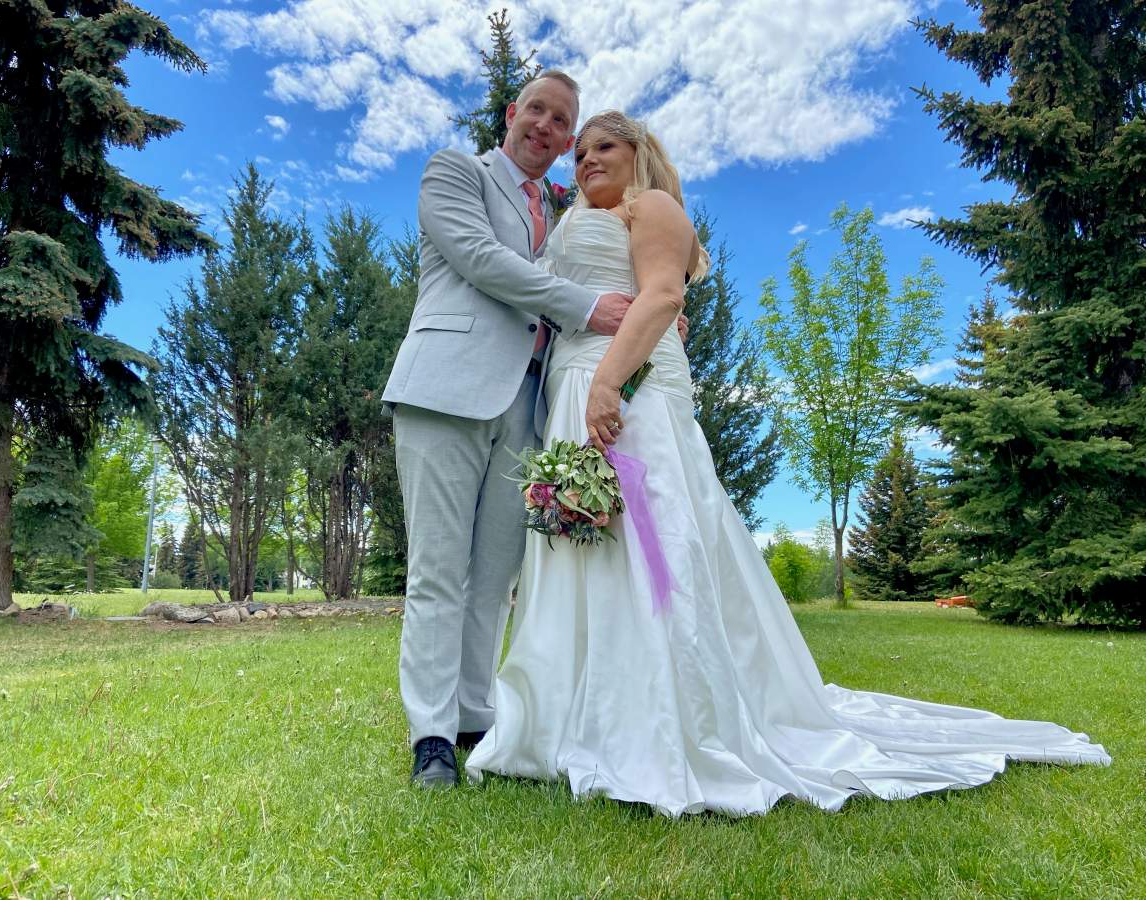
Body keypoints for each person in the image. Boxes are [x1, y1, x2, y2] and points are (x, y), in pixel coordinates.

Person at [465, 110, 1111, 816]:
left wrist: (608, 383)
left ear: (640, 153)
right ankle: (572, 716)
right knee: (587, 553)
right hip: (576, 386)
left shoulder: (651, 206)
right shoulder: (577, 218)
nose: (587, 158)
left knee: (650, 548)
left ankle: (668, 718)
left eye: (605, 146)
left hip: (626, 392)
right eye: (581, 150)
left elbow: (664, 295)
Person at [381, 72, 640, 789]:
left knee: (495, 577)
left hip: (527, 408)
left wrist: (652, 316)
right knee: (437, 572)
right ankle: (430, 735)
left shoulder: (558, 211)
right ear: (511, 113)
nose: (548, 129)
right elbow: (480, 261)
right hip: (444, 390)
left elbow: (607, 273)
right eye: (539, 111)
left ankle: (472, 712)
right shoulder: (454, 172)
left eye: (563, 122)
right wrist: (592, 307)